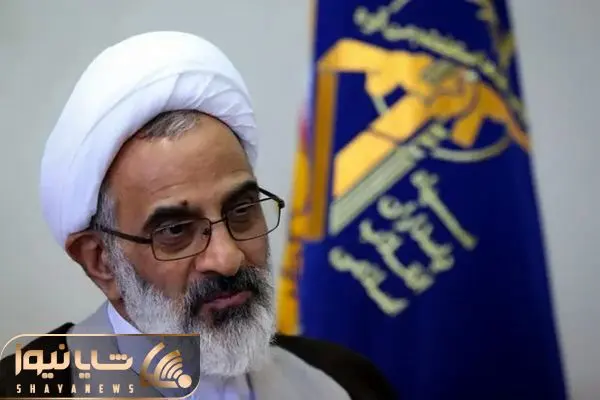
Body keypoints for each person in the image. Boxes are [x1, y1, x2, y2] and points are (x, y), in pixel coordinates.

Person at [0, 31, 397, 399]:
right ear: (102, 261)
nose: (227, 258)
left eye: (241, 210)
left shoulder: (346, 381)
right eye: (175, 230)